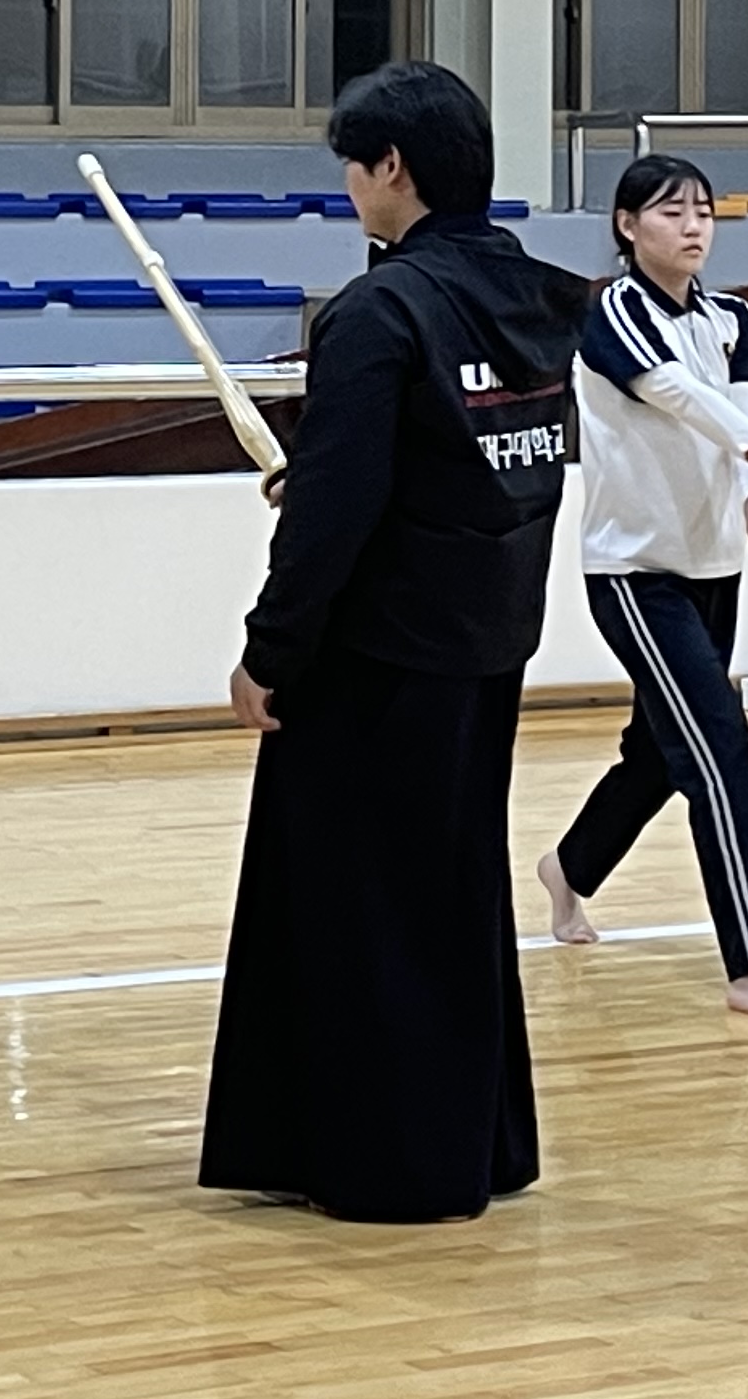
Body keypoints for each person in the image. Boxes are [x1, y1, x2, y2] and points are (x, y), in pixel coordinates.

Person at [199, 61, 594, 1223]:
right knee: (449, 891)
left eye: (354, 168)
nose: (350, 190)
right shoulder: (533, 296)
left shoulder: (380, 310)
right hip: (487, 637)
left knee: (362, 909)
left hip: (377, 655)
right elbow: (481, 464)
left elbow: (338, 512)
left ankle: (391, 1165)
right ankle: (477, 1145)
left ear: (393, 168)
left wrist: (269, 651)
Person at [535, 155, 748, 1024]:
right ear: (628, 226)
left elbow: (745, 415)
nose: (694, 226)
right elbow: (679, 397)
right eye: (672, 212)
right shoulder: (611, 311)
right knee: (719, 750)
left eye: (704, 210)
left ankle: (570, 868)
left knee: (658, 754)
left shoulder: (735, 318)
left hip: (715, 569)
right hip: (636, 575)